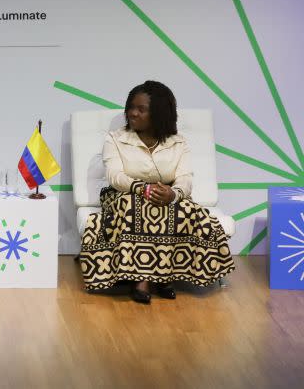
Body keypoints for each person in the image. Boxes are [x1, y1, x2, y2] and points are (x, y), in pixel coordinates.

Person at [79, 80, 235, 303]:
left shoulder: (178, 143)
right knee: (136, 206)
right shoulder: (116, 139)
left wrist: (174, 194)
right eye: (131, 107)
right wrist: (141, 188)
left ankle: (163, 276)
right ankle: (144, 279)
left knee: (186, 210)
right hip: (124, 193)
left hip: (168, 194)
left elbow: (185, 178)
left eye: (141, 109)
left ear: (159, 113)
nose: (132, 113)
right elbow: (115, 176)